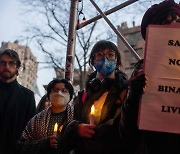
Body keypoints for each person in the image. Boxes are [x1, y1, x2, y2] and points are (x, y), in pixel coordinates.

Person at [119, 1, 180, 154]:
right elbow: (126, 132)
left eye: (178, 21)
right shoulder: (140, 71)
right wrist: (133, 99)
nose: (173, 25)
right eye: (166, 22)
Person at [60, 40, 129, 154]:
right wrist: (77, 128)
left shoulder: (125, 92)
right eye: (99, 55)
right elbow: (66, 124)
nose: (105, 59)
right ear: (93, 60)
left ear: (117, 61)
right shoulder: (83, 95)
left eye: (110, 54)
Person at [16, 78, 74, 154]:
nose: (59, 93)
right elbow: (21, 146)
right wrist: (45, 143)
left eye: (64, 91)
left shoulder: (76, 117)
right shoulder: (37, 120)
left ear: (70, 96)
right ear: (49, 95)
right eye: (55, 90)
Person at [0, 49, 36, 154]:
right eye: (3, 62)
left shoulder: (27, 96)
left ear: (17, 68)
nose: (7, 66)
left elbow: (30, 132)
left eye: (11, 63)